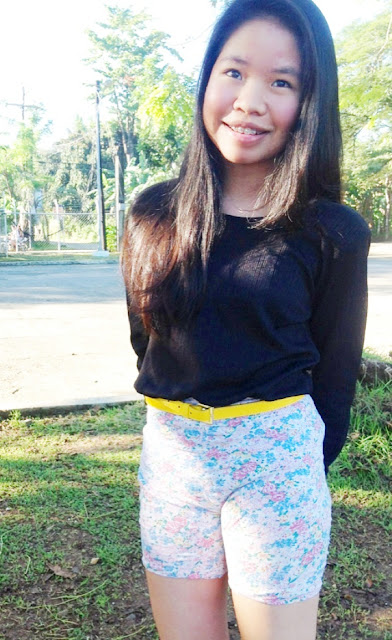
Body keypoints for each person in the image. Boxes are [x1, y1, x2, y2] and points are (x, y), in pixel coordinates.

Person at [121, 1, 370, 639]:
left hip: (277, 459)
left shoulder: (332, 232)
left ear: (309, 102)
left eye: (281, 82)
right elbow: (148, 341)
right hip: (173, 457)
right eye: (233, 72)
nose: (249, 101)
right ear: (208, 77)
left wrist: (299, 465)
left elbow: (336, 370)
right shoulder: (150, 215)